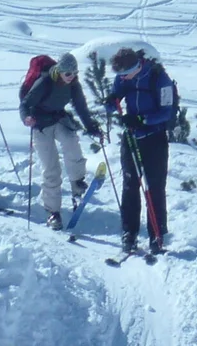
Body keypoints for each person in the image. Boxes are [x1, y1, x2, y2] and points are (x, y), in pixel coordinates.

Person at [105, 46, 178, 256]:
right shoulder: (124, 77)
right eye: (119, 75)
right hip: (131, 137)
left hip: (154, 138)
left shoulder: (159, 78)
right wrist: (111, 102)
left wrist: (142, 120)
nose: (122, 78)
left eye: (124, 74)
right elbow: (116, 95)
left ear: (137, 66)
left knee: (154, 187)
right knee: (130, 185)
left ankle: (157, 234)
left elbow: (166, 112)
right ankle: (129, 232)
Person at [20, 52, 103, 228]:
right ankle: (53, 212)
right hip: (40, 124)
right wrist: (26, 117)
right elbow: (25, 104)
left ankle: (77, 184)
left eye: (75, 73)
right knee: (51, 168)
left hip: (58, 119)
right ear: (59, 71)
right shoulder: (44, 82)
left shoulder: (73, 84)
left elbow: (81, 107)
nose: (71, 77)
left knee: (71, 143)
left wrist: (90, 126)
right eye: (68, 74)